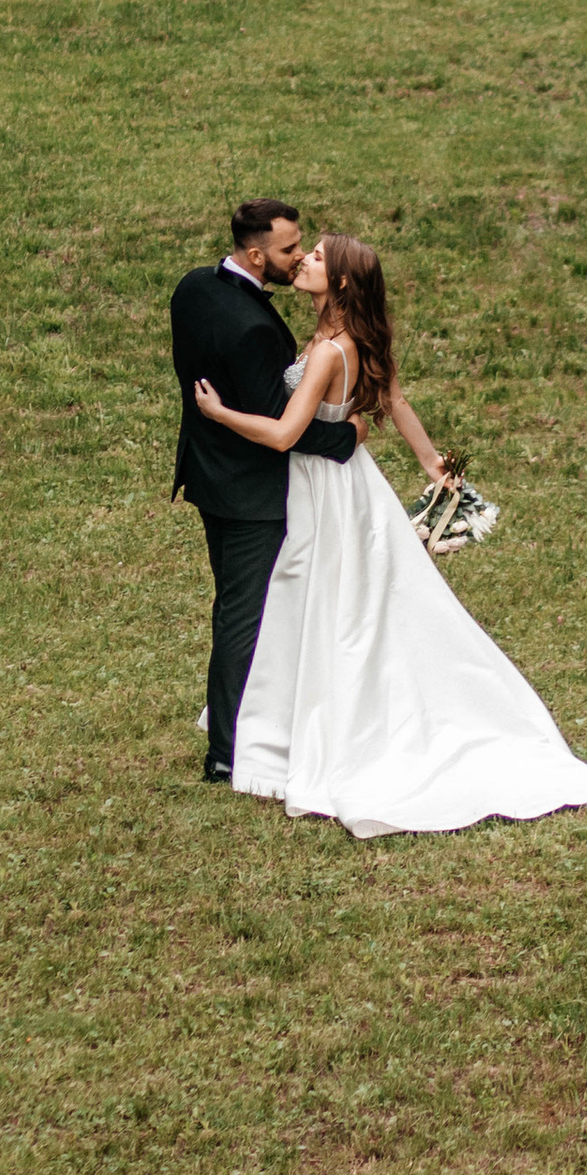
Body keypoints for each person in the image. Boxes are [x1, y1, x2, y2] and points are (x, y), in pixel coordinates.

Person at [193, 232, 587, 841]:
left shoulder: (327, 352)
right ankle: (289, 723)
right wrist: (432, 465)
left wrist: (217, 415)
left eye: (317, 256)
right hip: (353, 486)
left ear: (342, 282)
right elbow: (395, 401)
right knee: (344, 603)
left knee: (324, 604)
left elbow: (281, 435)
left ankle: (312, 730)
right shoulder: (351, 338)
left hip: (319, 489)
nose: (304, 260)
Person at [169, 201, 357, 785]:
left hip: (207, 479)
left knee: (236, 608)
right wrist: (348, 438)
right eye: (286, 249)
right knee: (242, 618)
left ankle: (258, 721)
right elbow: (283, 425)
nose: (297, 255)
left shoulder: (193, 287)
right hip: (253, 496)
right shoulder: (253, 327)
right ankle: (227, 752)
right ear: (256, 255)